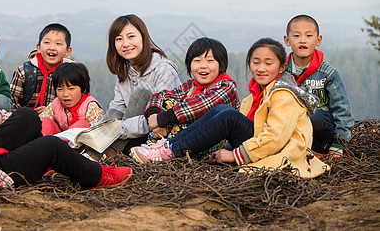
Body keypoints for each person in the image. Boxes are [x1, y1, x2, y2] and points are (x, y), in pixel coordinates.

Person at [130, 38, 329, 178]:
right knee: (222, 112)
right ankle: (167, 147)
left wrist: (235, 155)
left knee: (227, 115)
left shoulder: (283, 94)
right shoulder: (255, 96)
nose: (260, 68)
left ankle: (169, 151)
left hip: (281, 150)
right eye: (256, 62)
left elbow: (275, 138)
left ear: (282, 67)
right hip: (257, 143)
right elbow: (162, 95)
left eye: (268, 63)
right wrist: (155, 114)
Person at [0, 60, 132, 190]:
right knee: (51, 145)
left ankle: (34, 159)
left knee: (27, 116)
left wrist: (16, 118)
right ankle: (97, 176)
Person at [143, 37, 240, 159]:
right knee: (169, 101)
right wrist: (154, 116)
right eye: (197, 61)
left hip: (211, 144)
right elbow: (160, 95)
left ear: (221, 66)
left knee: (181, 110)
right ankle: (154, 147)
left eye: (210, 61)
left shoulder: (226, 86)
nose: (203, 66)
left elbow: (202, 106)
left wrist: (164, 118)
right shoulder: (191, 86)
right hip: (184, 141)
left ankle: (164, 151)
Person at [103, 14, 182, 154]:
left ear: (143, 37)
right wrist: (98, 130)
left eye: (131, 36)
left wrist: (116, 129)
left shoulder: (164, 70)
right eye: (119, 39)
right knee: (113, 114)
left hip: (158, 136)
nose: (125, 44)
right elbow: (117, 108)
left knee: (141, 94)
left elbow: (161, 118)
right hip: (130, 133)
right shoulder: (124, 71)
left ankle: (109, 153)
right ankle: (94, 151)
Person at [283, 14, 354, 160]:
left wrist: (338, 144)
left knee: (315, 115)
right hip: (291, 130)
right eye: (296, 36)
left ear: (318, 40)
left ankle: (318, 151)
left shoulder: (327, 73)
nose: (302, 40)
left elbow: (343, 111)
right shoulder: (281, 72)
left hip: (320, 132)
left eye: (309, 35)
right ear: (287, 40)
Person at [10, 23, 75, 114]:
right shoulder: (24, 72)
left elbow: (78, 106)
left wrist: (51, 112)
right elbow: (12, 102)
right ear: (39, 48)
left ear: (68, 50)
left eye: (58, 43)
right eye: (47, 43)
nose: (52, 47)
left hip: (60, 124)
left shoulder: (72, 75)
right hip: (25, 123)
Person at [39, 62, 104, 136]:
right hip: (57, 142)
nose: (65, 94)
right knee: (44, 122)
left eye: (71, 89)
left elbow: (98, 133)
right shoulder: (55, 104)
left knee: (81, 124)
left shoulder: (91, 106)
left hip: (81, 144)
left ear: (84, 89)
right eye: (60, 89)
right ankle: (42, 145)